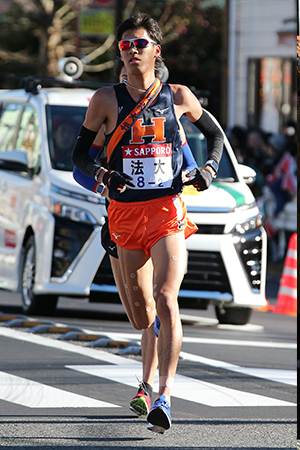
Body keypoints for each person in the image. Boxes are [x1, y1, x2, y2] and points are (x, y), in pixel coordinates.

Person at [72, 12, 223, 434]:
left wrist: (207, 171)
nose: (132, 51)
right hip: (124, 214)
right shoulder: (105, 99)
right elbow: (79, 158)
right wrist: (104, 177)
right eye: (125, 45)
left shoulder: (178, 96)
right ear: (119, 53)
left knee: (167, 297)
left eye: (140, 44)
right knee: (142, 316)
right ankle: (144, 378)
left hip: (167, 212)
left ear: (156, 50)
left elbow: (215, 136)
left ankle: (164, 395)